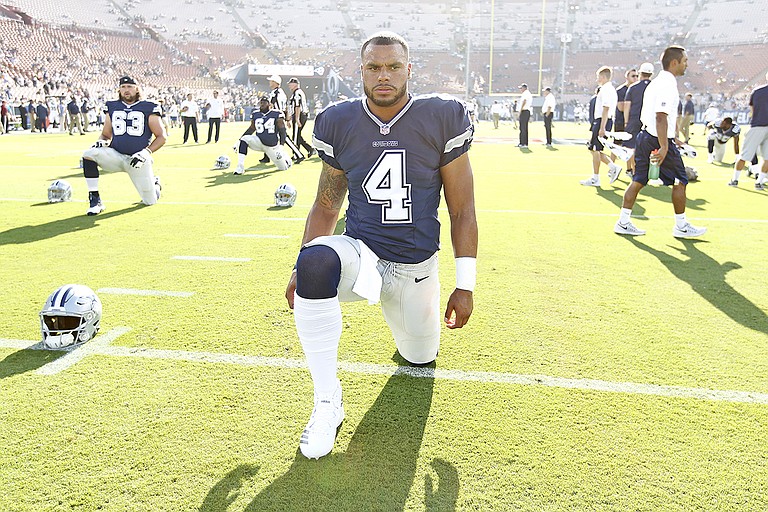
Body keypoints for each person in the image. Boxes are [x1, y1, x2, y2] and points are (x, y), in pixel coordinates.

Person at [284, 31, 477, 460]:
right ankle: (326, 402)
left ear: (410, 70)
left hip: (415, 268)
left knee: (418, 356)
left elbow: (462, 209)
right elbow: (326, 205)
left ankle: (411, 333)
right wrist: (298, 267)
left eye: (393, 66)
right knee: (315, 260)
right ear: (361, 72)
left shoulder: (441, 117)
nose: (383, 76)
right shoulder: (338, 122)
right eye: (374, 67)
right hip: (362, 257)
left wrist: (466, 285)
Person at [614, 46, 706, 238]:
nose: (686, 64)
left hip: (645, 136)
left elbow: (661, 117)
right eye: (685, 61)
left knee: (638, 179)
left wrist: (674, 139)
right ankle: (681, 226)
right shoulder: (667, 84)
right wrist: (665, 146)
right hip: (657, 139)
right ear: (675, 62)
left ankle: (623, 221)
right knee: (681, 179)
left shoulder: (656, 83)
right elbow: (661, 117)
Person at [81, 76, 165, 216]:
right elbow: (106, 135)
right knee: (89, 154)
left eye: (130, 87)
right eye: (123, 87)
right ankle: (95, 200)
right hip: (116, 155)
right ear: (119, 89)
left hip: (138, 159)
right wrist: (101, 141)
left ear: (137, 88)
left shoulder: (149, 106)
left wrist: (146, 153)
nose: (126, 90)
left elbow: (162, 136)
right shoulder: (112, 106)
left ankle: (155, 184)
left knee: (150, 201)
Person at [580, 66, 622, 186]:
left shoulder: (606, 89)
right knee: (594, 149)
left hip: (602, 121)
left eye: (598, 76)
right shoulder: (608, 89)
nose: (597, 79)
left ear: (603, 77)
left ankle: (596, 177)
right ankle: (612, 167)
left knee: (595, 149)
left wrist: (602, 127)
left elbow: (606, 108)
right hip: (602, 121)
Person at [233, 95, 292, 174]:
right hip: (259, 142)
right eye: (261, 103)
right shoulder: (255, 114)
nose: (262, 104)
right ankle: (240, 167)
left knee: (283, 167)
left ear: (269, 104)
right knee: (245, 139)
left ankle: (286, 158)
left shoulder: (276, 113)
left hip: (272, 146)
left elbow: (282, 131)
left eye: (264, 103)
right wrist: (239, 141)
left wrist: (281, 146)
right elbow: (251, 129)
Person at [729, 71, 768, 190]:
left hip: (757, 125)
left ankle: (735, 179)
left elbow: (752, 111)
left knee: (745, 155)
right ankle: (759, 182)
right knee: (767, 158)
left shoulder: (757, 91)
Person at [624, 62, 655, 176]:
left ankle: (633, 170)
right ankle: (651, 172)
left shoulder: (633, 87)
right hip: (651, 121)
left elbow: (627, 106)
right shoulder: (655, 87)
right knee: (651, 148)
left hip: (634, 119)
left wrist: (626, 121)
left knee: (631, 147)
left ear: (640, 73)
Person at [287, 77, 315, 162]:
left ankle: (297, 155)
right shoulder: (297, 92)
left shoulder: (297, 93)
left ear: (295, 84)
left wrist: (297, 118)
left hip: (299, 115)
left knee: (295, 136)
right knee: (297, 135)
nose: (289, 85)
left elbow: (297, 106)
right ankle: (309, 149)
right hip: (301, 115)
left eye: (290, 83)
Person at [517, 83, 532, 148]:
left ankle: (523, 143)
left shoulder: (526, 93)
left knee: (523, 128)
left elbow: (524, 101)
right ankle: (524, 143)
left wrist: (520, 110)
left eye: (521, 88)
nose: (520, 89)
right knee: (524, 128)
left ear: (524, 88)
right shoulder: (527, 93)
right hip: (526, 111)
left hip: (524, 111)